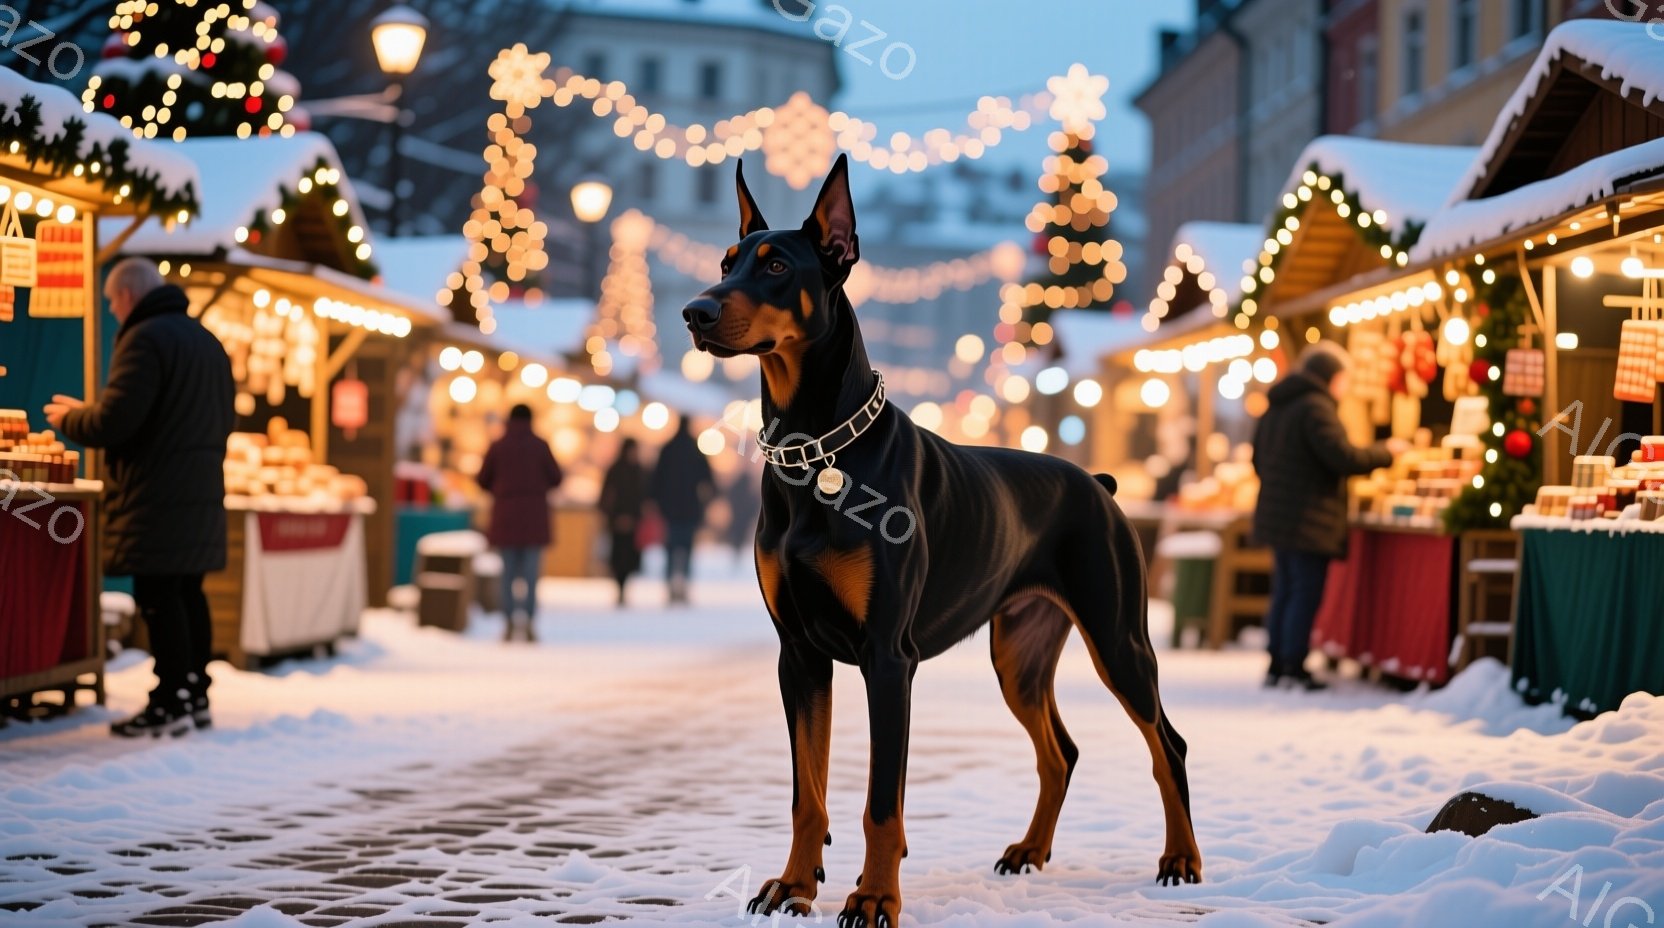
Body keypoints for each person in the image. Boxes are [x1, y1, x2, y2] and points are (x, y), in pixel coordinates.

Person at [47, 258, 233, 737]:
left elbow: (117, 421)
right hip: (200, 491)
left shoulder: (145, 339)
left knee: (158, 596)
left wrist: (72, 419)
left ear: (127, 296)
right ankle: (195, 694)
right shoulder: (206, 341)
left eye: (111, 302)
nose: (112, 310)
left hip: (158, 496)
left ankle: (170, 701)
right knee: (188, 593)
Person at [1251, 341, 1405, 691]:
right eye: (1343, 379)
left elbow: (1257, 460)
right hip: (1308, 518)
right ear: (1330, 376)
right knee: (1304, 592)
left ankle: (1277, 663)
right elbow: (1342, 456)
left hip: (1279, 515)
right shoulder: (1315, 407)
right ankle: (1293, 666)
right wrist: (1387, 452)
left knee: (1285, 590)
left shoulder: (1276, 406)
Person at [476, 404, 563, 642]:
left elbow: (482, 479)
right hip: (535, 519)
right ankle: (530, 622)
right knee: (531, 576)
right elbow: (556, 477)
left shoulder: (498, 446)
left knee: (508, 575)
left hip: (505, 518)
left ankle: (509, 622)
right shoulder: (540, 446)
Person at [648, 414, 715, 605]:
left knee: (670, 548)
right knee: (687, 549)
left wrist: (655, 501)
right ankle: (683, 585)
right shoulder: (695, 450)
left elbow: (656, 478)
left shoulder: (668, 449)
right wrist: (706, 501)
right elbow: (708, 479)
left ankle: (670, 585)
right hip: (691, 509)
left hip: (669, 509)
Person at [598, 437, 647, 606]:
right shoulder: (633, 470)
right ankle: (620, 587)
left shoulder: (628, 470)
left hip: (627, 521)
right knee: (621, 557)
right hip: (620, 521)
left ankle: (623, 587)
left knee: (625, 557)